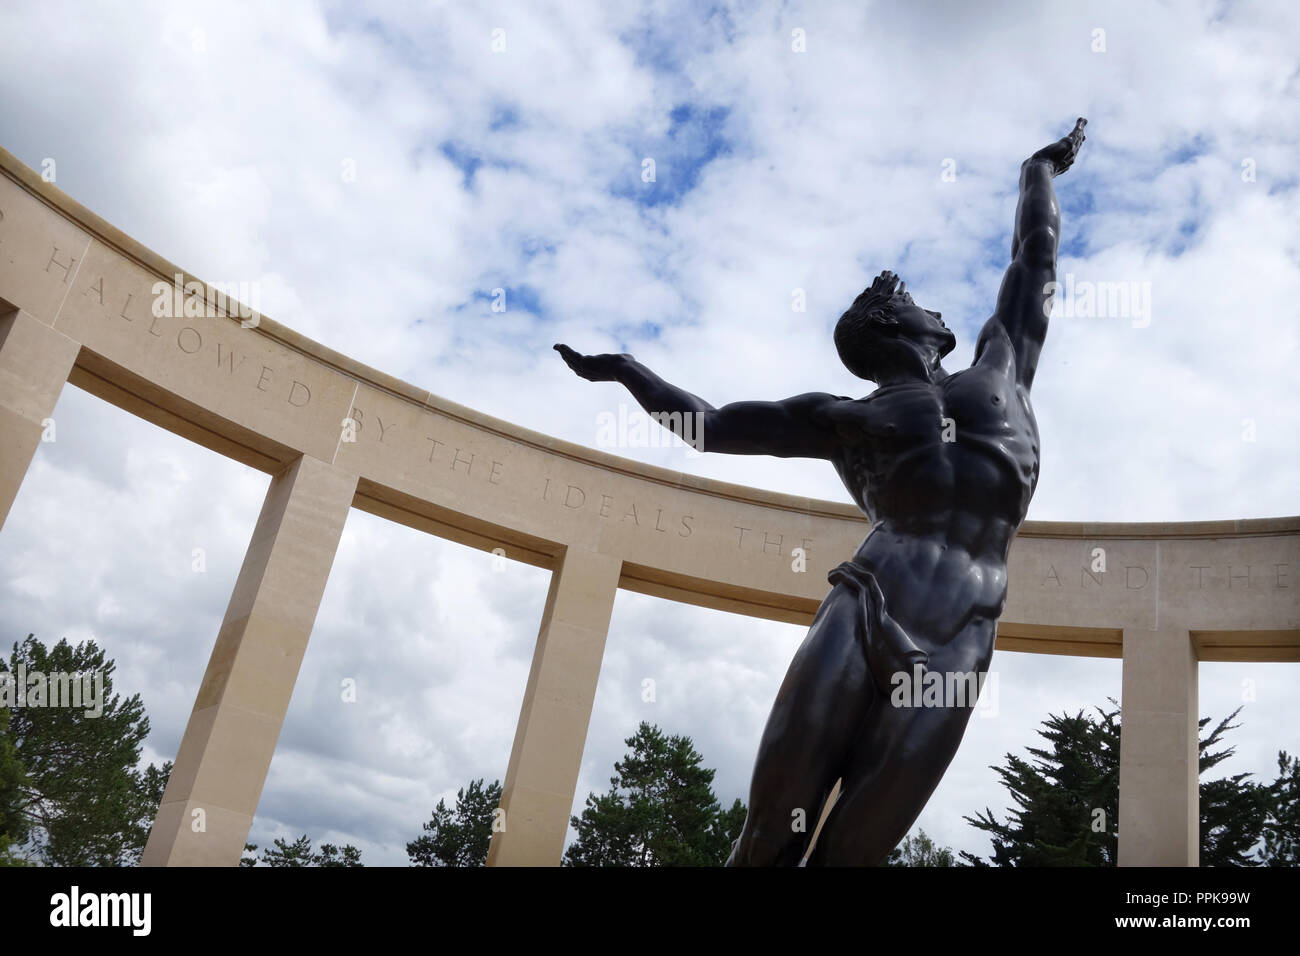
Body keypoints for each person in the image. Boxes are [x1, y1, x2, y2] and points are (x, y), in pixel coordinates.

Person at [555, 118, 1087, 865]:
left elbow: (1036, 259)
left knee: (853, 854)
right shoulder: (844, 418)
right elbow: (708, 427)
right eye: (920, 305)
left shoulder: (1002, 367)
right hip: (864, 605)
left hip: (956, 641)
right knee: (771, 834)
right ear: (892, 325)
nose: (938, 313)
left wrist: (1039, 170)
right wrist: (627, 371)